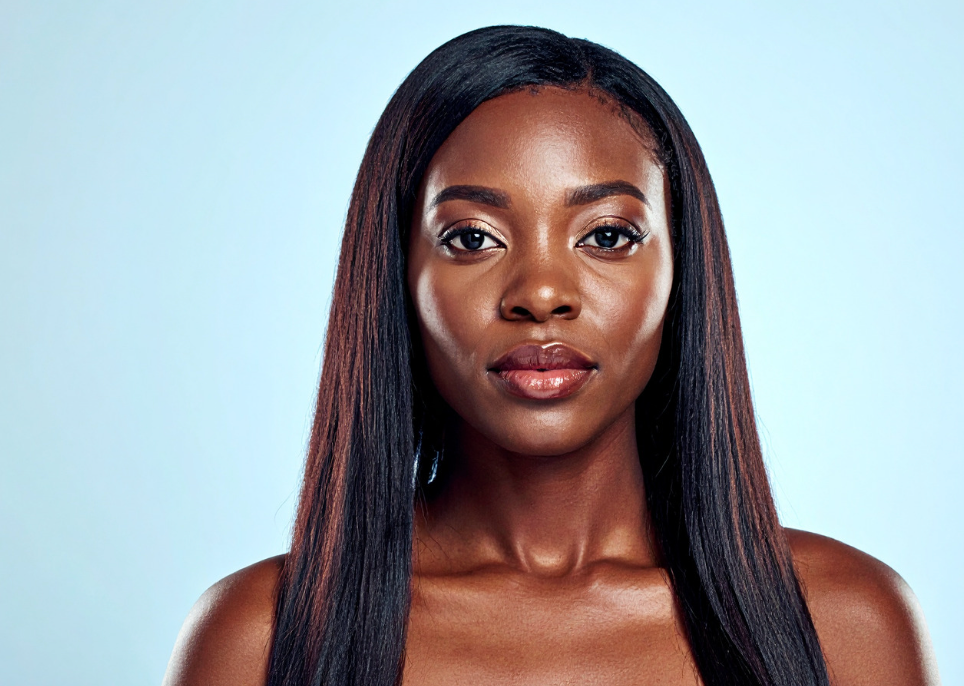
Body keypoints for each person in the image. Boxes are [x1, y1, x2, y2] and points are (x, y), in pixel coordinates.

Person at [163, 26, 940, 686]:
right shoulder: (255, 642)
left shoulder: (847, 627)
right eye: (472, 239)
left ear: (683, 271)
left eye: (606, 236)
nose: (540, 292)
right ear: (397, 273)